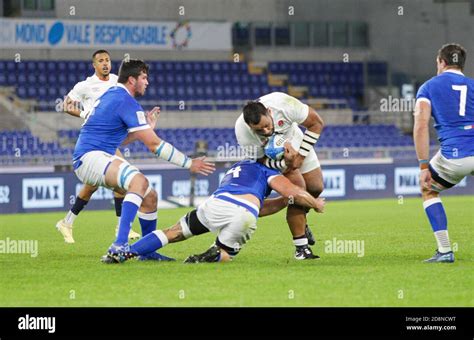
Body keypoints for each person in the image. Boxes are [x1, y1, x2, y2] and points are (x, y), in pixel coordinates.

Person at [72, 58, 215, 261]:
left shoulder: (113, 96)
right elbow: (154, 145)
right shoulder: (125, 100)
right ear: (132, 80)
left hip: (95, 156)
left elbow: (120, 140)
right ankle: (119, 245)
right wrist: (190, 163)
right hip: (90, 157)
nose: (147, 82)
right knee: (139, 182)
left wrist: (148, 128)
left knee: (150, 197)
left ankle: (147, 252)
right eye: (144, 78)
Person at [101, 158, 325, 264]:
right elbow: (294, 192)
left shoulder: (237, 167)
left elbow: (264, 204)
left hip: (218, 202)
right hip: (245, 213)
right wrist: (315, 203)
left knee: (174, 231)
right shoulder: (268, 172)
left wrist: (282, 201)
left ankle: (125, 253)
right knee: (226, 253)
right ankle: (211, 255)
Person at [56, 49, 141, 243]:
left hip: (109, 139)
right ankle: (122, 228)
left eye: (108, 60)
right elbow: (67, 105)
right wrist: (84, 114)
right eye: (101, 61)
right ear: (94, 65)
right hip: (93, 139)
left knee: (95, 186)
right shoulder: (85, 86)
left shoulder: (116, 81)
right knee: (119, 180)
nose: (105, 63)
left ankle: (67, 223)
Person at [235, 92, 324, 260]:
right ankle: (301, 248)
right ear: (249, 127)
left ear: (269, 112)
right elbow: (262, 162)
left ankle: (301, 221)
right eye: (260, 130)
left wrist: (300, 156)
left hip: (296, 142)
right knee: (297, 192)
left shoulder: (283, 104)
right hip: (273, 159)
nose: (267, 131)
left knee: (316, 188)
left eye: (267, 125)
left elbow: (316, 123)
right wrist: (287, 164)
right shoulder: (242, 131)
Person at [413, 43, 474, 263]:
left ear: (441, 62)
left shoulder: (428, 87)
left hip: (454, 156)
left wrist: (423, 166)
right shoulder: (472, 85)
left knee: (428, 189)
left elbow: (420, 126)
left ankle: (445, 250)